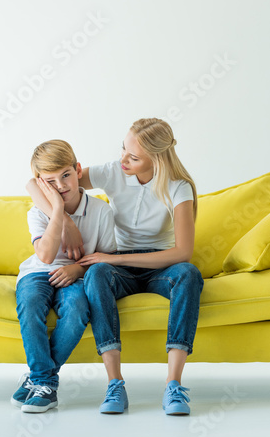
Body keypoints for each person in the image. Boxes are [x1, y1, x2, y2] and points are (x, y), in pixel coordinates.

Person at [27, 118, 204, 416]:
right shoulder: (113, 172)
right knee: (96, 273)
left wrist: (115, 258)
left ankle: (173, 385)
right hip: (116, 269)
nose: (123, 159)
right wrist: (67, 222)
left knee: (189, 274)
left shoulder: (178, 187)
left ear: (156, 158)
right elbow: (35, 183)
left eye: (133, 157)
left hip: (158, 266)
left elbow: (183, 252)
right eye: (123, 149)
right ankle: (115, 383)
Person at [11, 139, 116, 413]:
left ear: (78, 170)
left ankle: (38, 379)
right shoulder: (37, 213)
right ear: (42, 184)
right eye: (51, 181)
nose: (61, 185)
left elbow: (106, 260)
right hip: (37, 274)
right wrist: (59, 212)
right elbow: (44, 257)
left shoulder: (101, 211)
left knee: (78, 309)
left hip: (78, 275)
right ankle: (45, 382)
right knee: (31, 304)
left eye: (66, 175)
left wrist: (77, 268)